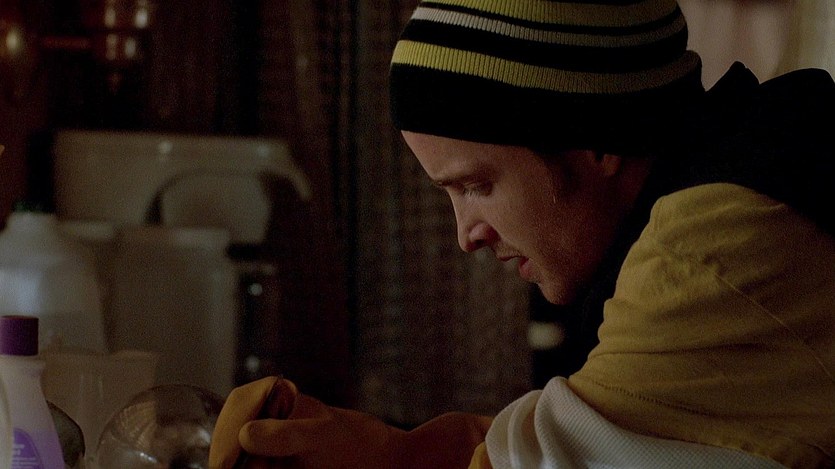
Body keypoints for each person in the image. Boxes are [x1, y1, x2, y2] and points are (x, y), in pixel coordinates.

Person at [208, 0, 835, 467]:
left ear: (597, 142)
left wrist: (390, 456)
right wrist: (387, 449)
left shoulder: (713, 247)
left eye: (477, 185)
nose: (467, 236)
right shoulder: (742, 170)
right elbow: (577, 434)